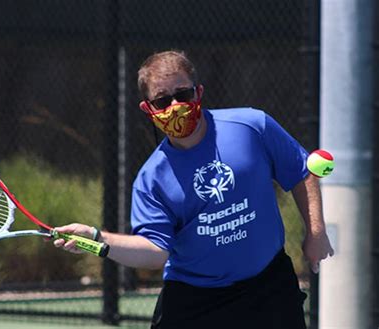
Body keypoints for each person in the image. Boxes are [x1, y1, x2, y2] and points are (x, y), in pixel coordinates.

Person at [53, 50, 334, 329]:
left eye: (183, 95)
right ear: (148, 109)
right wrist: (96, 237)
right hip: (195, 299)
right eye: (163, 100)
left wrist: (316, 232)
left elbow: (300, 170)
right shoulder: (151, 179)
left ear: (198, 93)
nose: (175, 105)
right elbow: (154, 251)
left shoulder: (252, 126)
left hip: (268, 286)